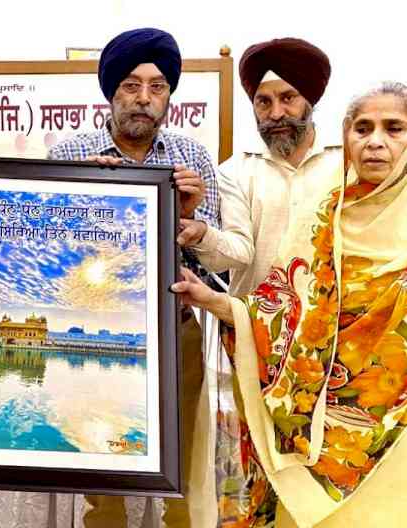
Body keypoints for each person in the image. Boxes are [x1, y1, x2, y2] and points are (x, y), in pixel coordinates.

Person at [172, 81, 407, 527]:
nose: (376, 141)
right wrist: (217, 302)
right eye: (363, 128)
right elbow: (278, 311)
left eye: (393, 129)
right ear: (347, 136)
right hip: (319, 430)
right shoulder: (325, 218)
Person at [47, 27, 219, 528]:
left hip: (176, 329)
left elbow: (219, 262)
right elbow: (55, 259)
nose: (144, 99)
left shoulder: (191, 159)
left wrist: (190, 224)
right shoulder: (71, 155)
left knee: (182, 463)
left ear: (169, 96)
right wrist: (90, 204)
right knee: (106, 465)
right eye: (130, 85)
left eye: (157, 87)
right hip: (107, 330)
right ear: (110, 91)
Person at [180, 37, 341, 297]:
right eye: (264, 102)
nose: (276, 113)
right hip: (255, 326)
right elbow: (240, 251)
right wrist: (203, 235)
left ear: (310, 101)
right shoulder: (236, 171)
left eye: (288, 98)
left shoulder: (346, 161)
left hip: (336, 325)